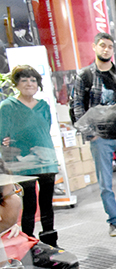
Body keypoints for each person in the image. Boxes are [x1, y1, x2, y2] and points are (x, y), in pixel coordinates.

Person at [72, 32, 116, 238]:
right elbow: (77, 106)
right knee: (105, 184)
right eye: (102, 45)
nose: (106, 49)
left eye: (110, 47)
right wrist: (90, 133)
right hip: (100, 138)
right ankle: (113, 221)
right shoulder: (84, 76)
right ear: (94, 47)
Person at [0, 65, 59, 247]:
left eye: (33, 80)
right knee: (30, 204)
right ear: (16, 84)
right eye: (24, 80)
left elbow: (44, 129)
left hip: (46, 160)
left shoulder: (43, 106)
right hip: (22, 163)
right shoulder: (7, 106)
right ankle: (28, 242)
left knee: (47, 203)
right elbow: (2, 134)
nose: (29, 84)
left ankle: (50, 241)